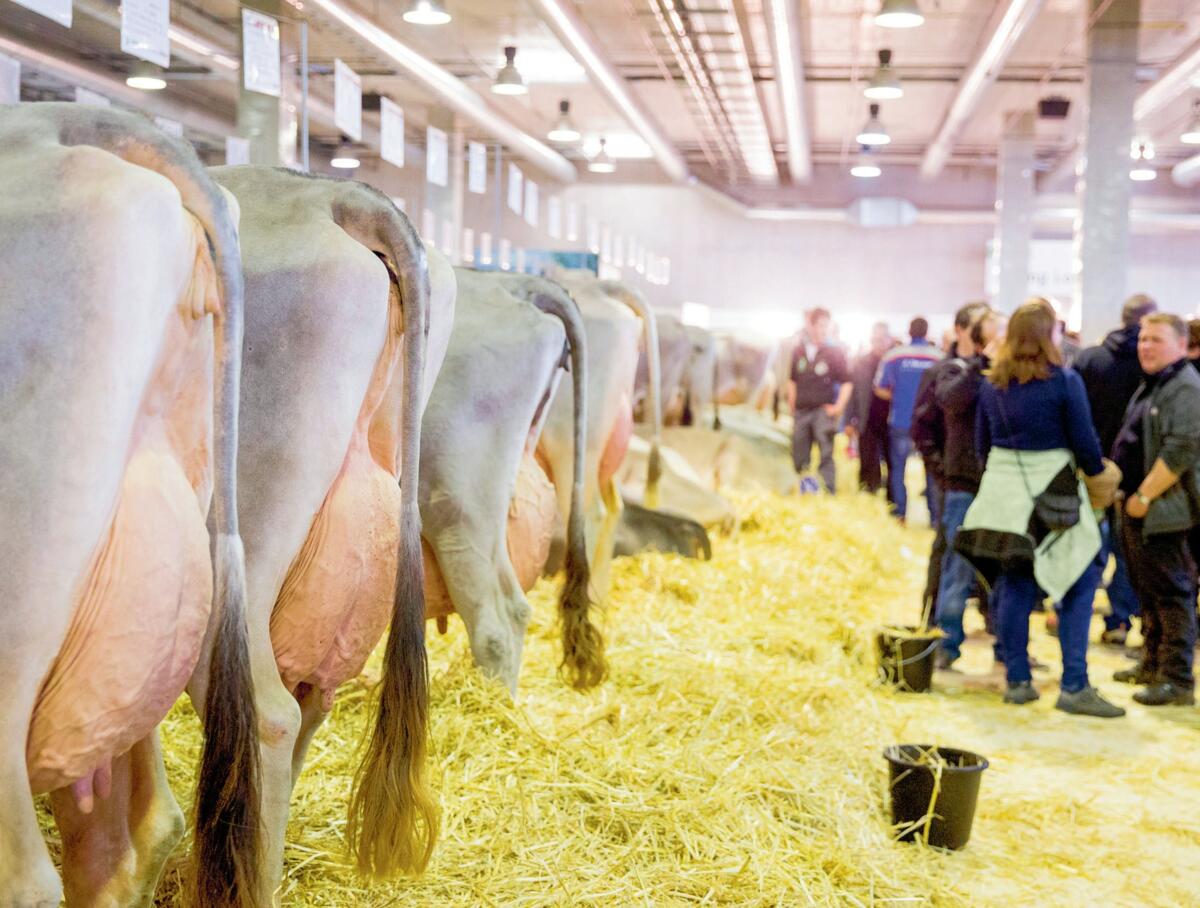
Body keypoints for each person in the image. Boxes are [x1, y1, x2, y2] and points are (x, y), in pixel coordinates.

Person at [957, 298, 1124, 718]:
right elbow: (1085, 444)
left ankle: (1017, 681)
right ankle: (1074, 685)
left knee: (1015, 583)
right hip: (1056, 499)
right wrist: (1100, 476)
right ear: (1048, 336)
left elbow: (981, 447)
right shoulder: (1064, 382)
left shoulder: (991, 385)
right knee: (1079, 582)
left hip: (1004, 501)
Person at [1110, 313, 1200, 706]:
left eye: (1156, 340)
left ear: (1181, 345)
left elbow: (1182, 449)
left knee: (1172, 593)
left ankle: (1177, 680)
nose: (1146, 346)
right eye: (1143, 339)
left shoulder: (1185, 388)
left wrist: (1144, 497)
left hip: (1165, 509)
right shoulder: (1156, 382)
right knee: (1147, 591)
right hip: (1139, 507)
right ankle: (1151, 663)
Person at [919, 306, 1002, 669]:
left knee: (1003, 567)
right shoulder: (952, 371)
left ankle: (1005, 642)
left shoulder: (1005, 375)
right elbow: (936, 415)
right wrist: (942, 472)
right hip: (961, 483)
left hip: (998, 483)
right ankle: (944, 640)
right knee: (955, 563)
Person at [1074, 294, 1157, 646]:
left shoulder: (1090, 358)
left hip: (1090, 468)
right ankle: (1119, 620)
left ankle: (1068, 612)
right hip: (1134, 470)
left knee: (1084, 544)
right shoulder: (1150, 365)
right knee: (1126, 551)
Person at [912, 303, 988, 629]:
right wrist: (940, 469)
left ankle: (988, 616)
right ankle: (933, 620)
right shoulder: (943, 372)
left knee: (989, 547)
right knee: (947, 547)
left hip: (988, 478)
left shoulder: (995, 373)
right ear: (960, 330)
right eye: (978, 327)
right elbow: (922, 426)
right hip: (953, 478)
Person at [875, 317, 942, 523]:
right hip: (930, 422)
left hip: (900, 419)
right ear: (927, 332)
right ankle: (935, 518)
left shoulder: (895, 355)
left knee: (898, 468)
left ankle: (900, 514)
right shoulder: (939, 357)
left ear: (909, 331)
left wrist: (898, 396)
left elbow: (879, 387)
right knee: (931, 470)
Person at [786, 308, 852, 493]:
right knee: (799, 453)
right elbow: (792, 379)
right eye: (819, 325)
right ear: (810, 325)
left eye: (825, 326)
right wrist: (792, 402)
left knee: (826, 452)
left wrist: (838, 406)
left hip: (823, 411)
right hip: (802, 411)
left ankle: (827, 490)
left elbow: (847, 382)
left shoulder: (835, 352)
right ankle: (803, 489)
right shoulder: (799, 350)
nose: (822, 330)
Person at [848, 323, 892, 497]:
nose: (878, 343)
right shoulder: (861, 362)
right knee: (867, 458)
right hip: (867, 417)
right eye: (875, 339)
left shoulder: (894, 360)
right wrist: (850, 419)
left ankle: (891, 496)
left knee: (892, 461)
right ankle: (868, 492)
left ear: (888, 339)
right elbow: (854, 392)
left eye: (882, 339)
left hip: (891, 419)